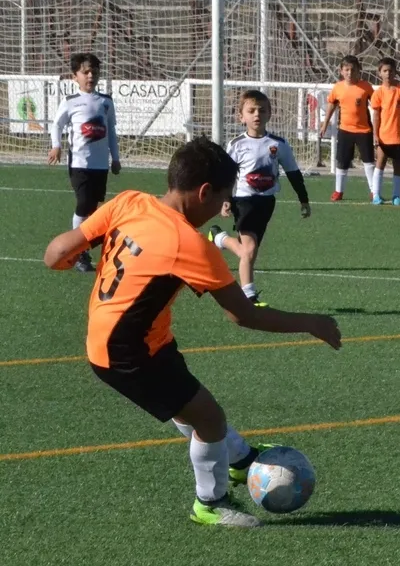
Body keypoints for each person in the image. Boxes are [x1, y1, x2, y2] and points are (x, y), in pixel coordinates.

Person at [42, 136, 342, 527]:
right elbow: (243, 315)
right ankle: (210, 503)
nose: (222, 208)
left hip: (133, 337)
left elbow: (55, 254)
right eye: (222, 199)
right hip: (126, 353)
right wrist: (311, 323)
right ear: (203, 192)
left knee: (187, 401)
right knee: (209, 417)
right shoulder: (190, 245)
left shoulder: (130, 201)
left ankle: (239, 459)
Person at [209, 89, 310, 307]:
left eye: (262, 110)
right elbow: (227, 175)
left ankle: (220, 239)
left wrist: (304, 200)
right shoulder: (237, 144)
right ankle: (249, 297)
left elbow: (293, 173)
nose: (257, 114)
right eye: (251, 110)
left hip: (266, 202)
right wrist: (225, 200)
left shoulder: (278, 144)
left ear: (269, 114)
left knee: (248, 251)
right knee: (249, 249)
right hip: (243, 201)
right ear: (241, 116)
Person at [48, 52, 121, 272]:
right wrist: (56, 145)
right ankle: (78, 253)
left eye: (94, 72)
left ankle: (84, 248)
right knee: (83, 204)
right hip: (79, 164)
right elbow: (57, 125)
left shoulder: (105, 102)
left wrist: (115, 158)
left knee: (92, 209)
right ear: (75, 77)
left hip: (100, 165)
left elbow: (111, 132)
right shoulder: (71, 102)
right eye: (85, 72)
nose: (90, 76)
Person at [320, 55, 376, 201]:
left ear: (358, 70)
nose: (349, 73)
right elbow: (332, 105)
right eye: (346, 69)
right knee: (342, 161)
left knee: (368, 161)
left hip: (364, 130)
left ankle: (374, 191)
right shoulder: (338, 87)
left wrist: (378, 127)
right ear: (341, 71)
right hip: (345, 130)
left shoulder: (366, 87)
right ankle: (338, 191)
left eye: (353, 70)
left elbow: (376, 106)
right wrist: (325, 123)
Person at [370, 57, 400, 206]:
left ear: (395, 72)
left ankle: (396, 196)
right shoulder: (378, 93)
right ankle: (376, 195)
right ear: (379, 73)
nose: (388, 73)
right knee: (380, 163)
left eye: (390, 70)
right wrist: (375, 135)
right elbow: (376, 116)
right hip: (383, 136)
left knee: (398, 166)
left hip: (399, 136)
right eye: (385, 71)